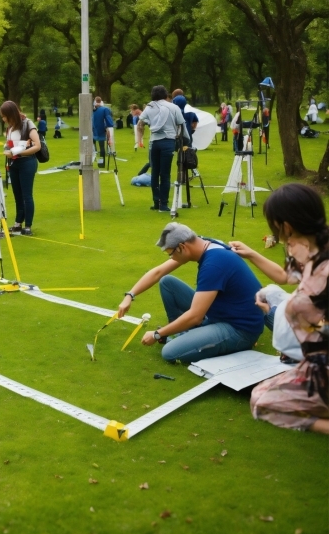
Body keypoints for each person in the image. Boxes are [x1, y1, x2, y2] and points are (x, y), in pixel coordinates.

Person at [229, 183, 328, 434]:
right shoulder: (304, 245)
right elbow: (286, 276)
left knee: (264, 403)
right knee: (260, 397)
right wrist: (251, 254)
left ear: (286, 224)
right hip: (311, 353)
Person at [117, 222, 264, 363]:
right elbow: (159, 272)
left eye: (171, 253)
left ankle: (180, 337)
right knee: (167, 283)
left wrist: (157, 334)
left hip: (239, 329)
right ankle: (182, 333)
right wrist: (130, 295)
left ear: (182, 247)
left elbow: (195, 316)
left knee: (169, 352)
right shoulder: (205, 244)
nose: (171, 258)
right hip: (220, 312)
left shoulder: (214, 264)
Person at [137, 85, 189, 212]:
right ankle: (163, 204)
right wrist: (187, 140)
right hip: (168, 142)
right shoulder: (173, 107)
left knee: (155, 172)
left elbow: (140, 124)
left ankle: (156, 201)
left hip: (154, 142)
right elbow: (181, 126)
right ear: (166, 95)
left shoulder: (149, 107)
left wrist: (140, 140)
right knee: (165, 174)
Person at [0, 101, 41, 235]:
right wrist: (7, 149)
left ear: (11, 114)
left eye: (4, 116)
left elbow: (37, 145)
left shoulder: (28, 124)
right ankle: (18, 223)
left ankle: (28, 225)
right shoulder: (10, 128)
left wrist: (18, 152)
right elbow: (9, 144)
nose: (3, 119)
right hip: (14, 163)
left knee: (26, 195)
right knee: (17, 194)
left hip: (27, 162)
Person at [92, 97, 114, 167]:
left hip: (93, 129)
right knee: (101, 147)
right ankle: (101, 163)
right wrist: (110, 126)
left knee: (93, 146)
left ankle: (93, 160)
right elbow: (108, 119)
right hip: (101, 129)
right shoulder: (105, 109)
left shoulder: (92, 109)